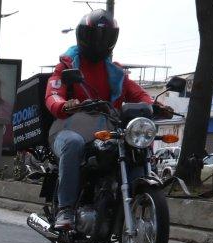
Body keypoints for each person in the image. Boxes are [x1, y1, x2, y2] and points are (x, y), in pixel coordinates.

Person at [44, 10, 170, 230]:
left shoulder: (116, 73)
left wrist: (155, 105)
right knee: (73, 144)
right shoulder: (67, 67)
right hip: (68, 128)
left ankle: (127, 199)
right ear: (83, 35)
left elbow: (139, 94)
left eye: (105, 37)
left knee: (133, 147)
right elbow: (53, 94)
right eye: (95, 35)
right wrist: (64, 105)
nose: (99, 42)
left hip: (106, 132)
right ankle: (66, 209)